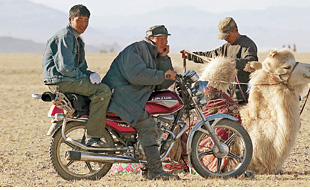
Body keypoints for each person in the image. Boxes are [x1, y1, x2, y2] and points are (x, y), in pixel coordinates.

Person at [102, 25, 178, 180]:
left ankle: (146, 166)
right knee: (148, 126)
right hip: (122, 97)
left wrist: (164, 58)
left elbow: (162, 83)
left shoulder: (154, 54)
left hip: (132, 97)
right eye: (161, 39)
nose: (164, 42)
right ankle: (155, 171)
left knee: (153, 120)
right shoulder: (136, 49)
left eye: (166, 39)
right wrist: (163, 74)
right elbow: (137, 75)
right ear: (151, 38)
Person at [42, 4, 112, 147]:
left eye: (86, 20)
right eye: (79, 20)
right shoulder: (65, 36)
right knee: (103, 91)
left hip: (66, 78)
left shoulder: (77, 40)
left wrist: (91, 74)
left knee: (99, 86)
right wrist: (86, 78)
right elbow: (66, 68)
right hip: (61, 80)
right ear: (70, 20)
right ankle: (93, 138)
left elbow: (81, 67)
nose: (83, 24)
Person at [181, 17, 258, 104]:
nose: (225, 39)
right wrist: (191, 55)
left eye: (227, 35)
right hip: (227, 97)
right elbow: (209, 56)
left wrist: (235, 63)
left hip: (243, 97)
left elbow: (251, 62)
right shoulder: (225, 47)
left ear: (235, 30)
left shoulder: (248, 45)